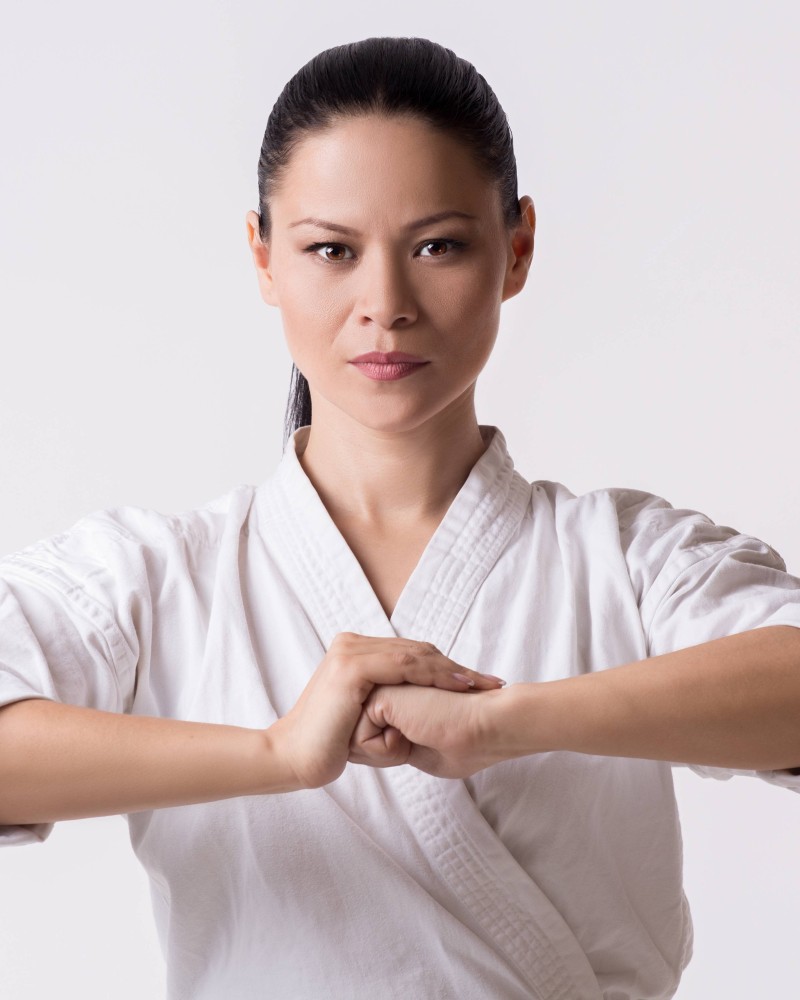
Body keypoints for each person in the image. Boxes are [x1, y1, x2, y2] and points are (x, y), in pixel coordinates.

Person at [1, 35, 799, 1000]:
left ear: (518, 249)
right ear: (263, 255)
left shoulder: (622, 557)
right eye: (330, 250)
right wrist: (275, 754)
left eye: (438, 246)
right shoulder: (158, 576)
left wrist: (511, 723)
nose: (384, 305)